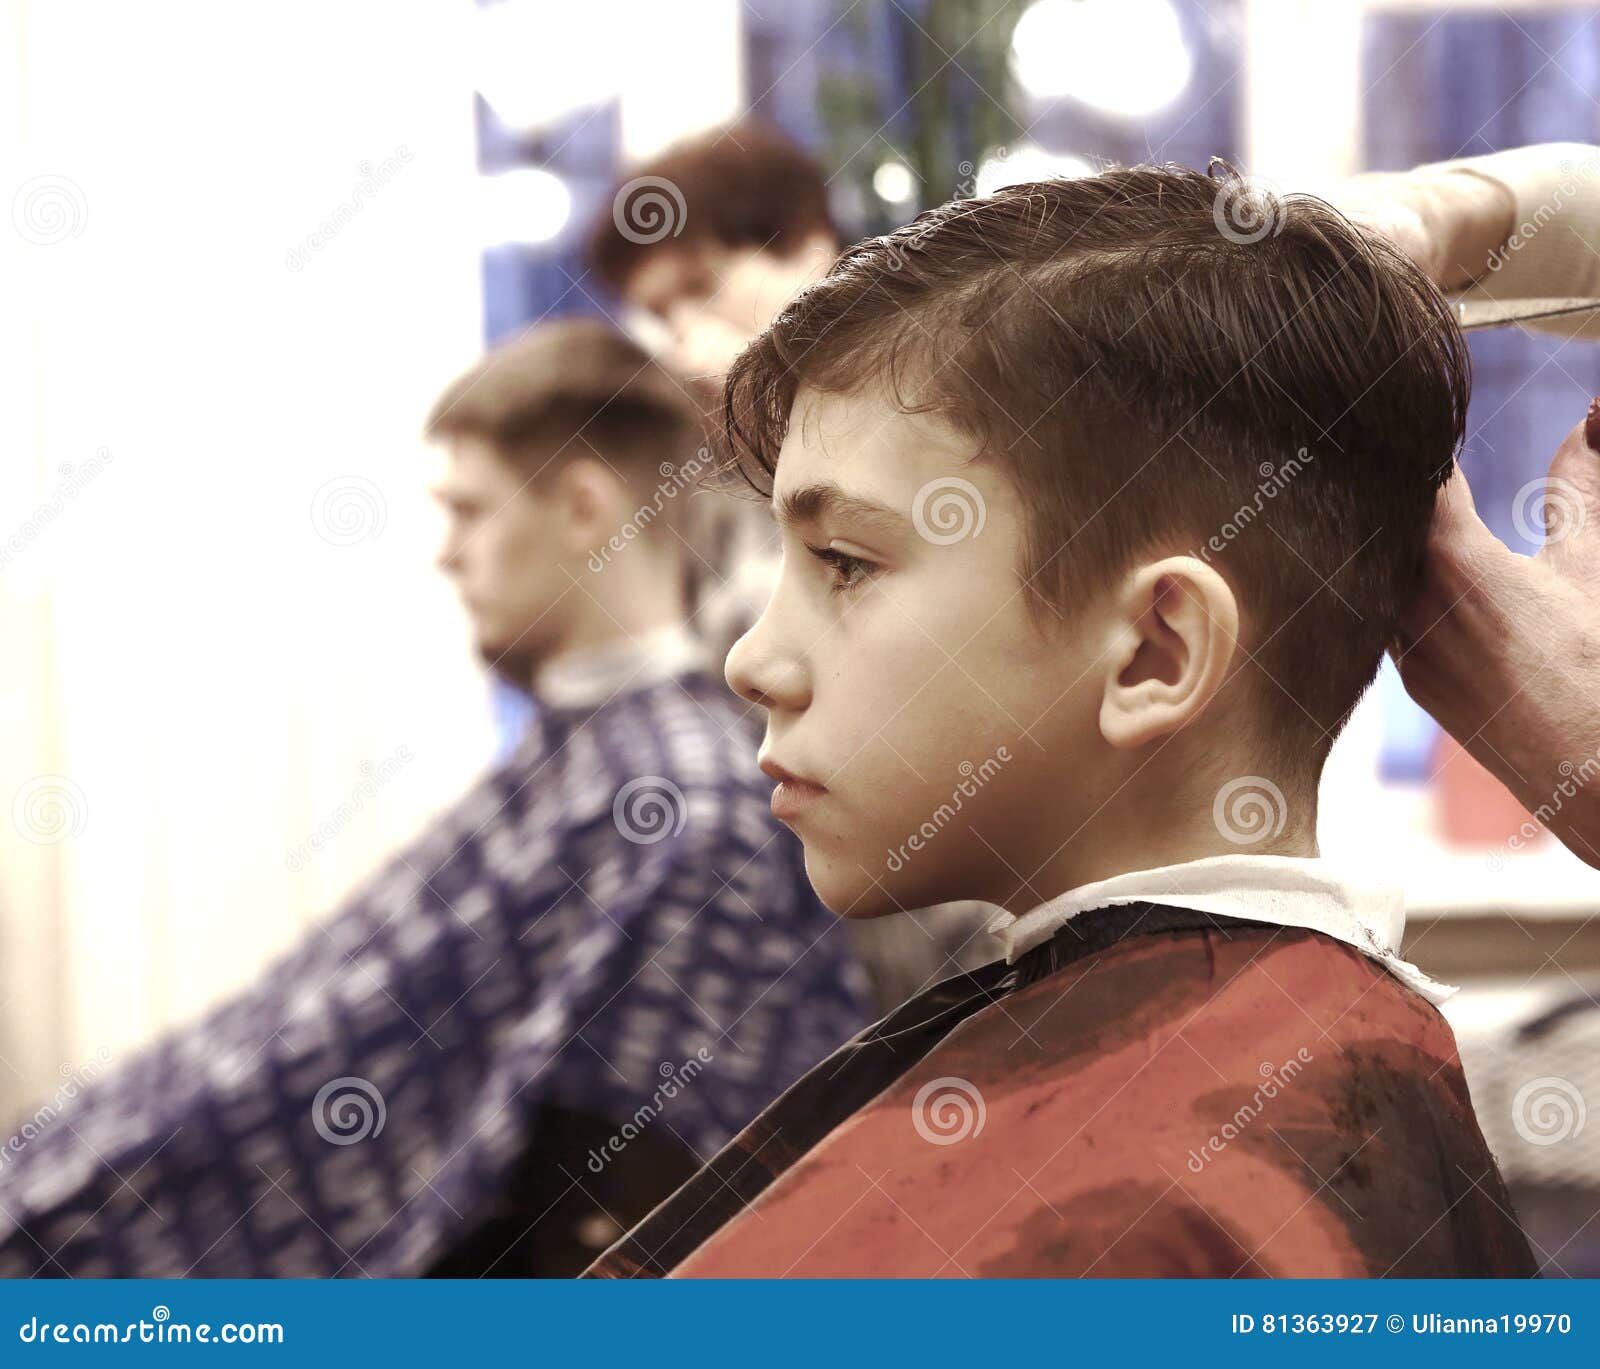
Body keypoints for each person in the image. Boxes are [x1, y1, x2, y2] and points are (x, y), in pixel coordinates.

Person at [584, 160, 1537, 1278]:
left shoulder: (1121, 1221)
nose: (753, 660)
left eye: (844, 562)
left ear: (1152, 651)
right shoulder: (1311, 1061)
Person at [0, 319, 872, 1278]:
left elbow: (650, 1205)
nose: (446, 555)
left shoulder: (689, 808)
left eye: (468, 511)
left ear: (585, 507)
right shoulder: (582, 759)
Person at [589, 120, 1009, 1010]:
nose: (682, 335)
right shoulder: (716, 480)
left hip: (982, 943)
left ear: (809, 245)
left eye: (702, 288)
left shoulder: (942, 419)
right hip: (845, 970)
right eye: (658, 315)